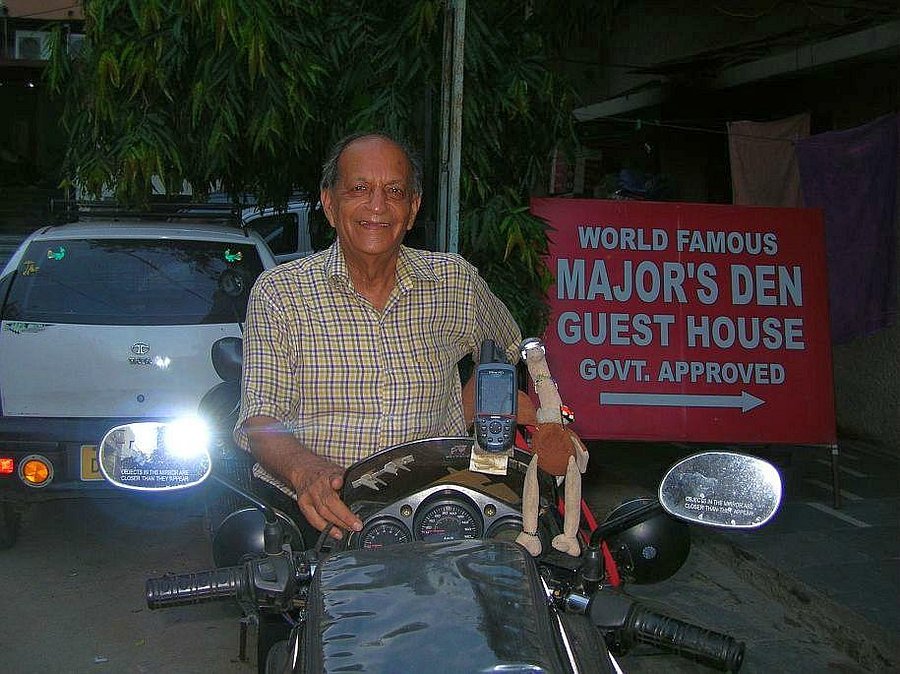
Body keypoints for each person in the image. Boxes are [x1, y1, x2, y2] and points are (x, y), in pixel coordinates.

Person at [234, 132, 522, 540]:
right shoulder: (280, 293)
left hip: (431, 518)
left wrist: (467, 411)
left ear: (413, 208)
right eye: (359, 189)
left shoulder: (454, 282)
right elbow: (260, 418)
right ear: (329, 204)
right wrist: (306, 471)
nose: (377, 205)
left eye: (394, 191)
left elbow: (507, 349)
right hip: (318, 521)